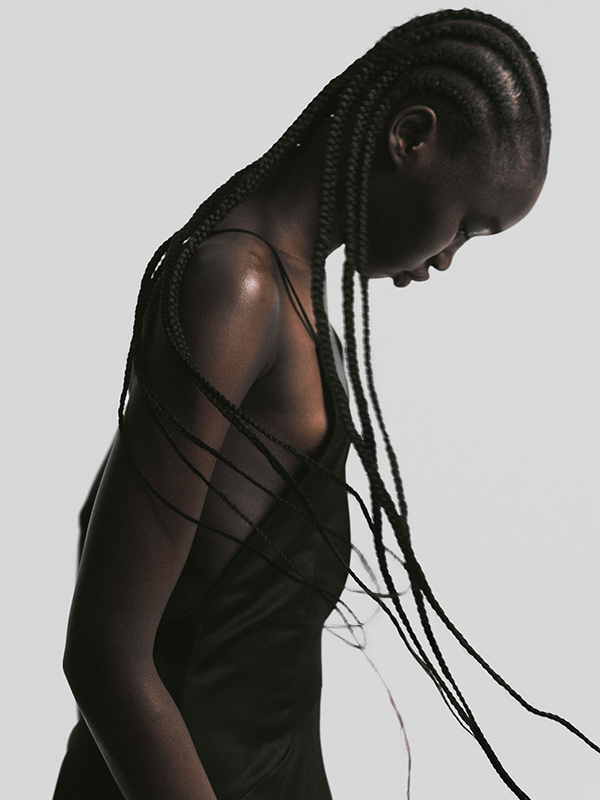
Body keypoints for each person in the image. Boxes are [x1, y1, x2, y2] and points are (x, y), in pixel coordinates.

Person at [52, 9, 597, 800]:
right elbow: (106, 650)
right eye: (466, 228)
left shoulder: (296, 305)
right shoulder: (238, 292)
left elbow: (103, 524)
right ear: (411, 136)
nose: (448, 259)